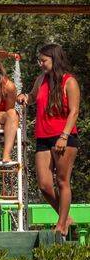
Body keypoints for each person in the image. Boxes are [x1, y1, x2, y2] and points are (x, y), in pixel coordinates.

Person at [18, 43, 82, 237]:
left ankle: (61, 226)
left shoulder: (69, 81)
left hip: (64, 136)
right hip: (43, 137)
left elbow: (74, 111)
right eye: (40, 60)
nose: (41, 64)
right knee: (44, 185)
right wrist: (25, 97)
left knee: (62, 181)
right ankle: (65, 217)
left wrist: (64, 136)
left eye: (44, 60)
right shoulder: (41, 79)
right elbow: (33, 96)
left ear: (55, 59)